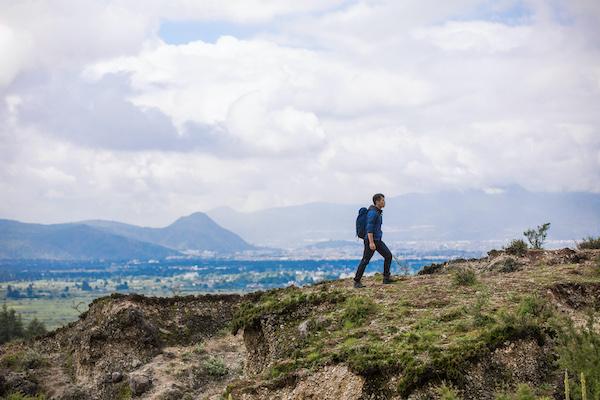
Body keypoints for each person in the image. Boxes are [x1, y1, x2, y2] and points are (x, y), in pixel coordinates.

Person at [353, 193, 395, 288]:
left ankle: (386, 278)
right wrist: (371, 242)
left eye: (384, 200)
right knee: (365, 260)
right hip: (371, 241)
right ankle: (356, 281)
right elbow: (369, 228)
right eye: (382, 200)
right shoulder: (373, 213)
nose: (384, 202)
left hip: (377, 240)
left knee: (388, 256)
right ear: (377, 201)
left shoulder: (378, 212)